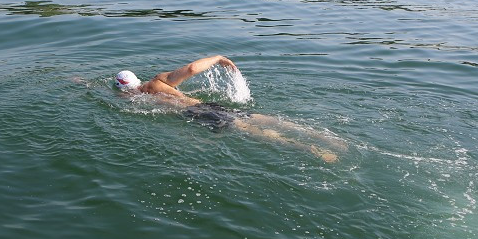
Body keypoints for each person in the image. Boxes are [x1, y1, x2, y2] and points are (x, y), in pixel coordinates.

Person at [115, 55, 343, 162]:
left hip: (196, 114)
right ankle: (321, 137)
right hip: (204, 106)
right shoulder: (159, 81)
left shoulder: (133, 97)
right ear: (136, 77)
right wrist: (219, 58)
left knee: (249, 130)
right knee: (261, 118)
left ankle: (309, 149)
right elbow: (193, 68)